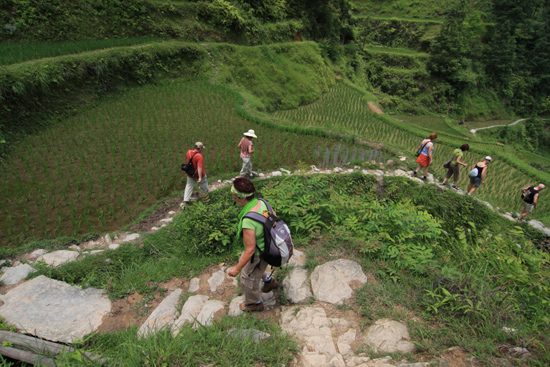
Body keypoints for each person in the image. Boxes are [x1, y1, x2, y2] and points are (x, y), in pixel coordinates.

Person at [227, 177, 279, 312]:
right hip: (269, 245)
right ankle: (269, 282)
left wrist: (237, 269)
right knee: (253, 269)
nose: (234, 200)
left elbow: (250, 250)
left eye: (235, 198)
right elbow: (274, 219)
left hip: (258, 253)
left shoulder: (248, 220)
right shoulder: (262, 202)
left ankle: (254, 304)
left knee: (246, 277)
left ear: (242, 198)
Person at [182, 142, 209, 207]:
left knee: (189, 186)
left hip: (190, 173)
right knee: (203, 185)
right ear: (199, 148)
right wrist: (199, 177)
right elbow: (199, 167)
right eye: (201, 148)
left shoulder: (188, 152)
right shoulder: (199, 156)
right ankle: (205, 198)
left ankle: (186, 200)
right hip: (198, 174)